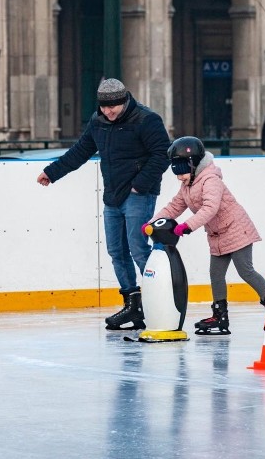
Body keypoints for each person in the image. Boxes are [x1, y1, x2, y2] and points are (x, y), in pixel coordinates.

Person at [37, 78, 170, 330]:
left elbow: (162, 154)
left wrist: (139, 185)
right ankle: (133, 305)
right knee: (116, 252)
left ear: (125, 100)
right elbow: (80, 151)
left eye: (114, 106)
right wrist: (52, 172)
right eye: (104, 107)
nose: (109, 111)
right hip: (113, 197)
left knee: (138, 249)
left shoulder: (145, 119)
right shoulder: (98, 122)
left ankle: (162, 299)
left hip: (138, 195)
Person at [148, 136, 265, 335]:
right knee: (216, 275)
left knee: (245, 270)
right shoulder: (187, 185)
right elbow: (174, 207)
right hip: (217, 235)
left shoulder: (211, 180)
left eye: (182, 172)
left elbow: (210, 208)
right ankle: (220, 316)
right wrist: (153, 222)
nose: (179, 177)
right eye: (176, 173)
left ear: (193, 164)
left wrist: (187, 226)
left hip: (236, 229)